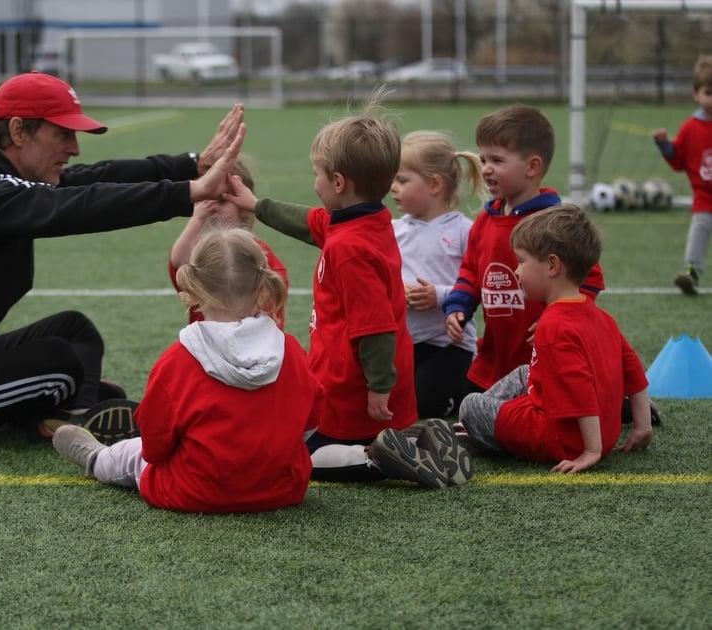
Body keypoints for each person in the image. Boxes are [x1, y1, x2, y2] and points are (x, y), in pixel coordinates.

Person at [0, 71, 246, 445]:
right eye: (63, 133)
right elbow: (78, 206)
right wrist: (188, 192)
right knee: (58, 363)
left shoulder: (1, 183)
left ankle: (70, 409)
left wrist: (189, 165)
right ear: (17, 131)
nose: (75, 147)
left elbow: (92, 178)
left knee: (72, 330)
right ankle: (69, 412)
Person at [226, 93, 471, 489]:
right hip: (372, 381)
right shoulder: (369, 221)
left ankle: (380, 459)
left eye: (317, 173)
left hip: (352, 387)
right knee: (324, 436)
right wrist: (257, 206)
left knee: (300, 454)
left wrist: (378, 388)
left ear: (338, 182)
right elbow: (309, 221)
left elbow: (373, 326)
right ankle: (417, 440)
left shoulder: (347, 248)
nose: (315, 181)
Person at [52, 228, 323, 513]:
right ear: (261, 287)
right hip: (283, 489)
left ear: (193, 289)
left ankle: (97, 458)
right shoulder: (291, 351)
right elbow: (311, 421)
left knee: (134, 453)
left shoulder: (177, 361)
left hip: (193, 492)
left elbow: (155, 449)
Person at [458, 203, 654, 472]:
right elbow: (632, 369)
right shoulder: (601, 316)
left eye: (522, 262)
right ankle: (477, 428)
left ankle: (471, 434)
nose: (516, 271)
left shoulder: (552, 325)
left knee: (470, 406)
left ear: (552, 265)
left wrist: (590, 451)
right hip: (601, 432)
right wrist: (643, 426)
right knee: (526, 372)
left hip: (562, 439)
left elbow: (579, 388)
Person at [444, 103, 606, 399]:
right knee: (459, 401)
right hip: (493, 361)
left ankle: (613, 398)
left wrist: (557, 317)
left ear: (533, 167)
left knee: (533, 411)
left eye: (497, 160)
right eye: (483, 159)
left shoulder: (555, 222)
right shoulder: (485, 220)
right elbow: (470, 271)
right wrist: (459, 307)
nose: (486, 168)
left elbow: (589, 279)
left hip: (543, 359)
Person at [391, 130, 487, 418]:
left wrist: (440, 295)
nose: (393, 187)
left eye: (402, 180)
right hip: (405, 344)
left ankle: (461, 390)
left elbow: (478, 283)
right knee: (389, 404)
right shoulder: (393, 230)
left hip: (448, 345)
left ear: (434, 184)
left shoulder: (463, 230)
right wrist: (398, 289)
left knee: (423, 406)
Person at [168, 157, 289, 327]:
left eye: (222, 201)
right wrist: (196, 220)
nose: (212, 207)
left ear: (245, 205)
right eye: (205, 198)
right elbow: (178, 261)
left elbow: (271, 318)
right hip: (207, 346)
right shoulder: (201, 250)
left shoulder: (262, 256)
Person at [652, 54, 712, 296]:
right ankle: (692, 273)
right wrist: (665, 145)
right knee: (699, 230)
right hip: (704, 198)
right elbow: (678, 160)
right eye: (709, 92)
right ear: (695, 94)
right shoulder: (690, 128)